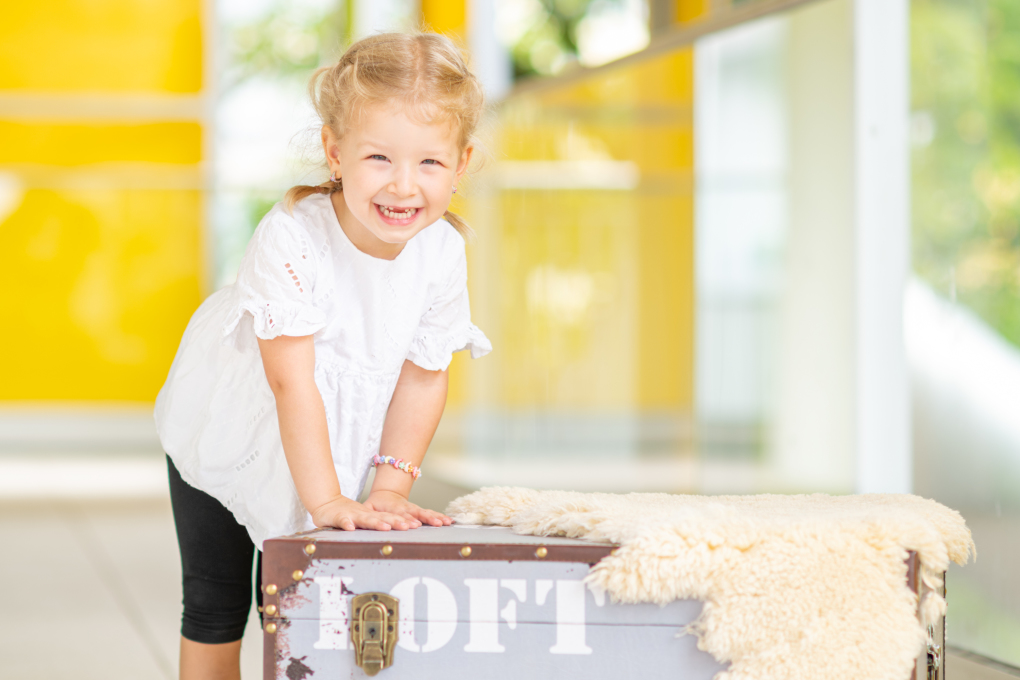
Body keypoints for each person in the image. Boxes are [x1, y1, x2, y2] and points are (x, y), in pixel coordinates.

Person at [154, 32, 491, 680]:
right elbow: (292, 386)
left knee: (293, 605)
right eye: (378, 158)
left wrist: (390, 486)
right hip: (231, 429)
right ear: (335, 152)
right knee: (215, 601)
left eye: (429, 163)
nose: (403, 185)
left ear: (463, 161)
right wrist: (328, 501)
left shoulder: (441, 251)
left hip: (322, 444)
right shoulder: (292, 236)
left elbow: (424, 378)